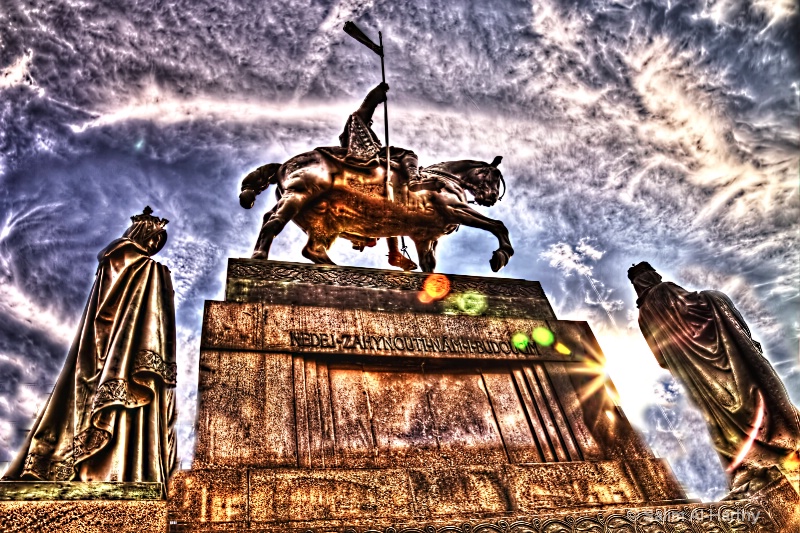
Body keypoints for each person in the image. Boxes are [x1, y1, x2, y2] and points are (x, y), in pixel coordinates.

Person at [3, 207, 177, 483]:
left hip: (114, 345)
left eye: (159, 243)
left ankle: (112, 466)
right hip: (122, 346)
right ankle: (112, 469)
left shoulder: (121, 263)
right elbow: (121, 315)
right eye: (154, 239)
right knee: (114, 399)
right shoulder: (144, 267)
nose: (154, 247)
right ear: (142, 233)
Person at [629, 262, 800, 498]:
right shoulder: (666, 290)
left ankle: (751, 462)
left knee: (722, 421)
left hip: (697, 379)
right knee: (755, 400)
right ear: (653, 276)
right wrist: (714, 300)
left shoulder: (643, 315)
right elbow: (700, 305)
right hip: (730, 363)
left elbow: (661, 359)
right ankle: (782, 445)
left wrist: (684, 358)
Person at [335, 82, 419, 271]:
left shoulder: (361, 137)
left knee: (391, 211)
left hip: (373, 176)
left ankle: (395, 253)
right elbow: (361, 115)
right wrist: (375, 96)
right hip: (367, 168)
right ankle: (415, 180)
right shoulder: (356, 132)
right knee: (408, 155)